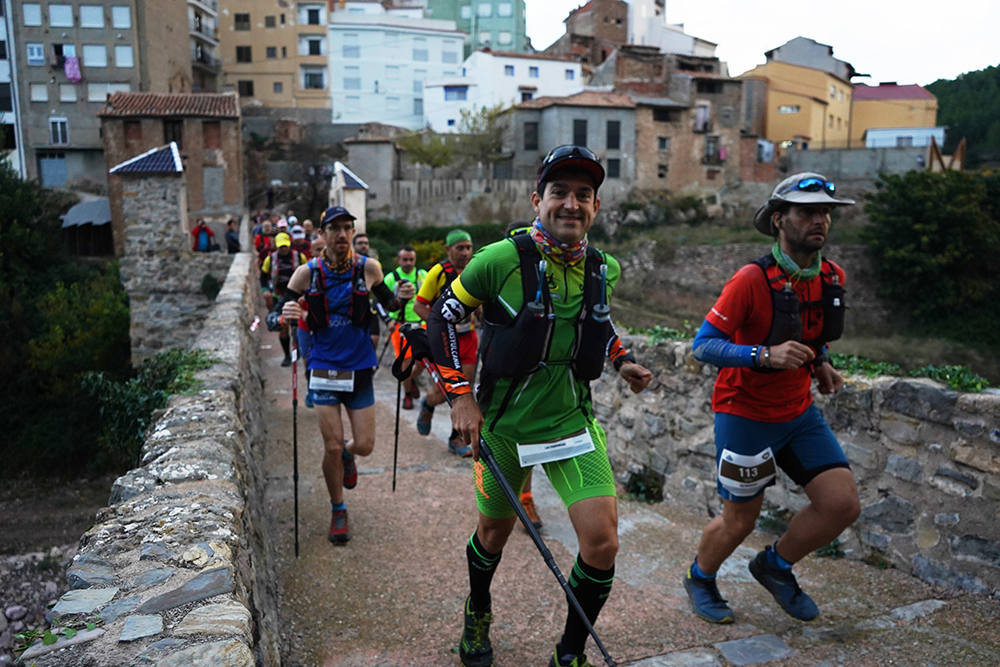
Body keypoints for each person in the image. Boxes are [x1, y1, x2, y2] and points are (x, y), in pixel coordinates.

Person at [427, 145, 653, 667]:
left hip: (573, 423)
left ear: (596, 207)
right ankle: (477, 609)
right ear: (538, 199)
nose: (571, 204)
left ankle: (569, 654)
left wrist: (621, 360)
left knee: (602, 544)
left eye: (583, 195)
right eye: (560, 193)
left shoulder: (603, 267)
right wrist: (460, 396)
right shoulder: (498, 260)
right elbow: (441, 319)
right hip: (503, 427)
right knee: (492, 534)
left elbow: (595, 321)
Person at [683, 172, 861, 625]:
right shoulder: (751, 279)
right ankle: (701, 577)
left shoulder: (831, 276)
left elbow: (809, 333)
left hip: (799, 413)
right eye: (806, 212)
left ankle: (775, 566)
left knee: (841, 504)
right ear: (779, 219)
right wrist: (764, 354)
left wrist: (819, 361)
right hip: (745, 414)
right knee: (741, 518)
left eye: (825, 212)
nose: (819, 220)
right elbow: (703, 345)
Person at [278, 205, 414, 543]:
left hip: (359, 367)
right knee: (332, 445)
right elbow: (275, 316)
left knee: (364, 445)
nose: (342, 234)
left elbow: (390, 307)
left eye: (347, 228)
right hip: (323, 366)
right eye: (335, 228)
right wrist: (288, 313)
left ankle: (350, 458)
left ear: (353, 233)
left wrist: (401, 297)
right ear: (322, 234)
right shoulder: (305, 274)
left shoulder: (369, 268)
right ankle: (338, 507)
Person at [413, 229, 476, 457]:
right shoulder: (438, 273)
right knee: (444, 393)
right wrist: (439, 322)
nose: (465, 252)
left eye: (468, 247)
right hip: (443, 341)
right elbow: (418, 305)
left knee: (465, 391)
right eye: (460, 248)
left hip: (467, 338)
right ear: (448, 249)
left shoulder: (474, 270)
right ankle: (428, 403)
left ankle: (457, 439)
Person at [383, 245, 428, 409]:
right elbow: (380, 303)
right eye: (405, 259)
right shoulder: (390, 278)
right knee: (405, 362)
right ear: (398, 260)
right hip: (400, 326)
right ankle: (407, 394)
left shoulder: (423, 275)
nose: (408, 263)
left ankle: (410, 381)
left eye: (411, 259)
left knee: (424, 360)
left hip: (421, 323)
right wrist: (388, 320)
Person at [261, 232, 307, 366]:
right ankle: (287, 355)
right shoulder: (270, 259)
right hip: (278, 295)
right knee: (283, 327)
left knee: (299, 325)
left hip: (297, 297)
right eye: (281, 247)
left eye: (285, 246)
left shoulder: (299, 257)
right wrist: (265, 291)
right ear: (276, 246)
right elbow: (263, 277)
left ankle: (298, 350)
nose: (284, 249)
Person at [353, 231, 382, 352]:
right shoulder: (349, 263)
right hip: (354, 306)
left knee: (374, 338)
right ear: (354, 245)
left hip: (371, 305)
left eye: (366, 243)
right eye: (360, 243)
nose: (364, 245)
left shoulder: (374, 264)